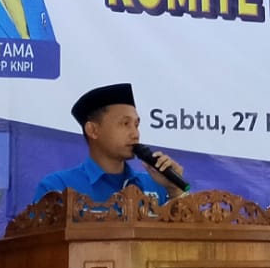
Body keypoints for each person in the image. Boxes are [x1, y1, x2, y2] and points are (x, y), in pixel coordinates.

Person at [32, 83, 186, 204]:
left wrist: (175, 190)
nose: (135, 134)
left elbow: (183, 235)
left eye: (136, 125)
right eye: (125, 124)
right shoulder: (58, 187)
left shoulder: (155, 186)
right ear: (93, 130)